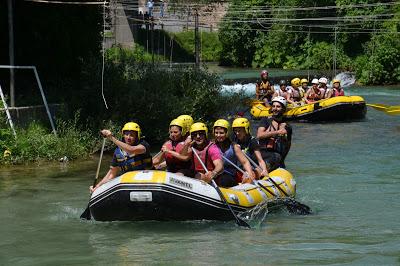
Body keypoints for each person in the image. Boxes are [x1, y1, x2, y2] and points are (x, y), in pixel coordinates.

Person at [90, 122, 153, 192]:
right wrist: (97, 187)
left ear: (137, 136)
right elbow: (111, 174)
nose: (128, 137)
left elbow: (131, 150)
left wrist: (111, 137)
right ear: (123, 135)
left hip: (147, 179)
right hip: (129, 182)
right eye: (126, 134)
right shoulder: (118, 152)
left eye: (132, 135)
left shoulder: (143, 145)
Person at [213, 119, 255, 185]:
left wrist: (249, 173)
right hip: (216, 174)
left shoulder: (234, 146)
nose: (218, 135)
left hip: (230, 175)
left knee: (224, 179)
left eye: (221, 133)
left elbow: (245, 162)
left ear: (227, 133)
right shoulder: (212, 146)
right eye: (216, 133)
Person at [257, 96, 292, 169]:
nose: (275, 109)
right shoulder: (265, 120)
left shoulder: (287, 126)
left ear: (283, 109)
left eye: (278, 107)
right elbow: (259, 135)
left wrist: (282, 160)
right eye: (273, 106)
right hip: (262, 153)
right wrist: (277, 132)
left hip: (276, 156)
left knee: (277, 157)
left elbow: (288, 145)